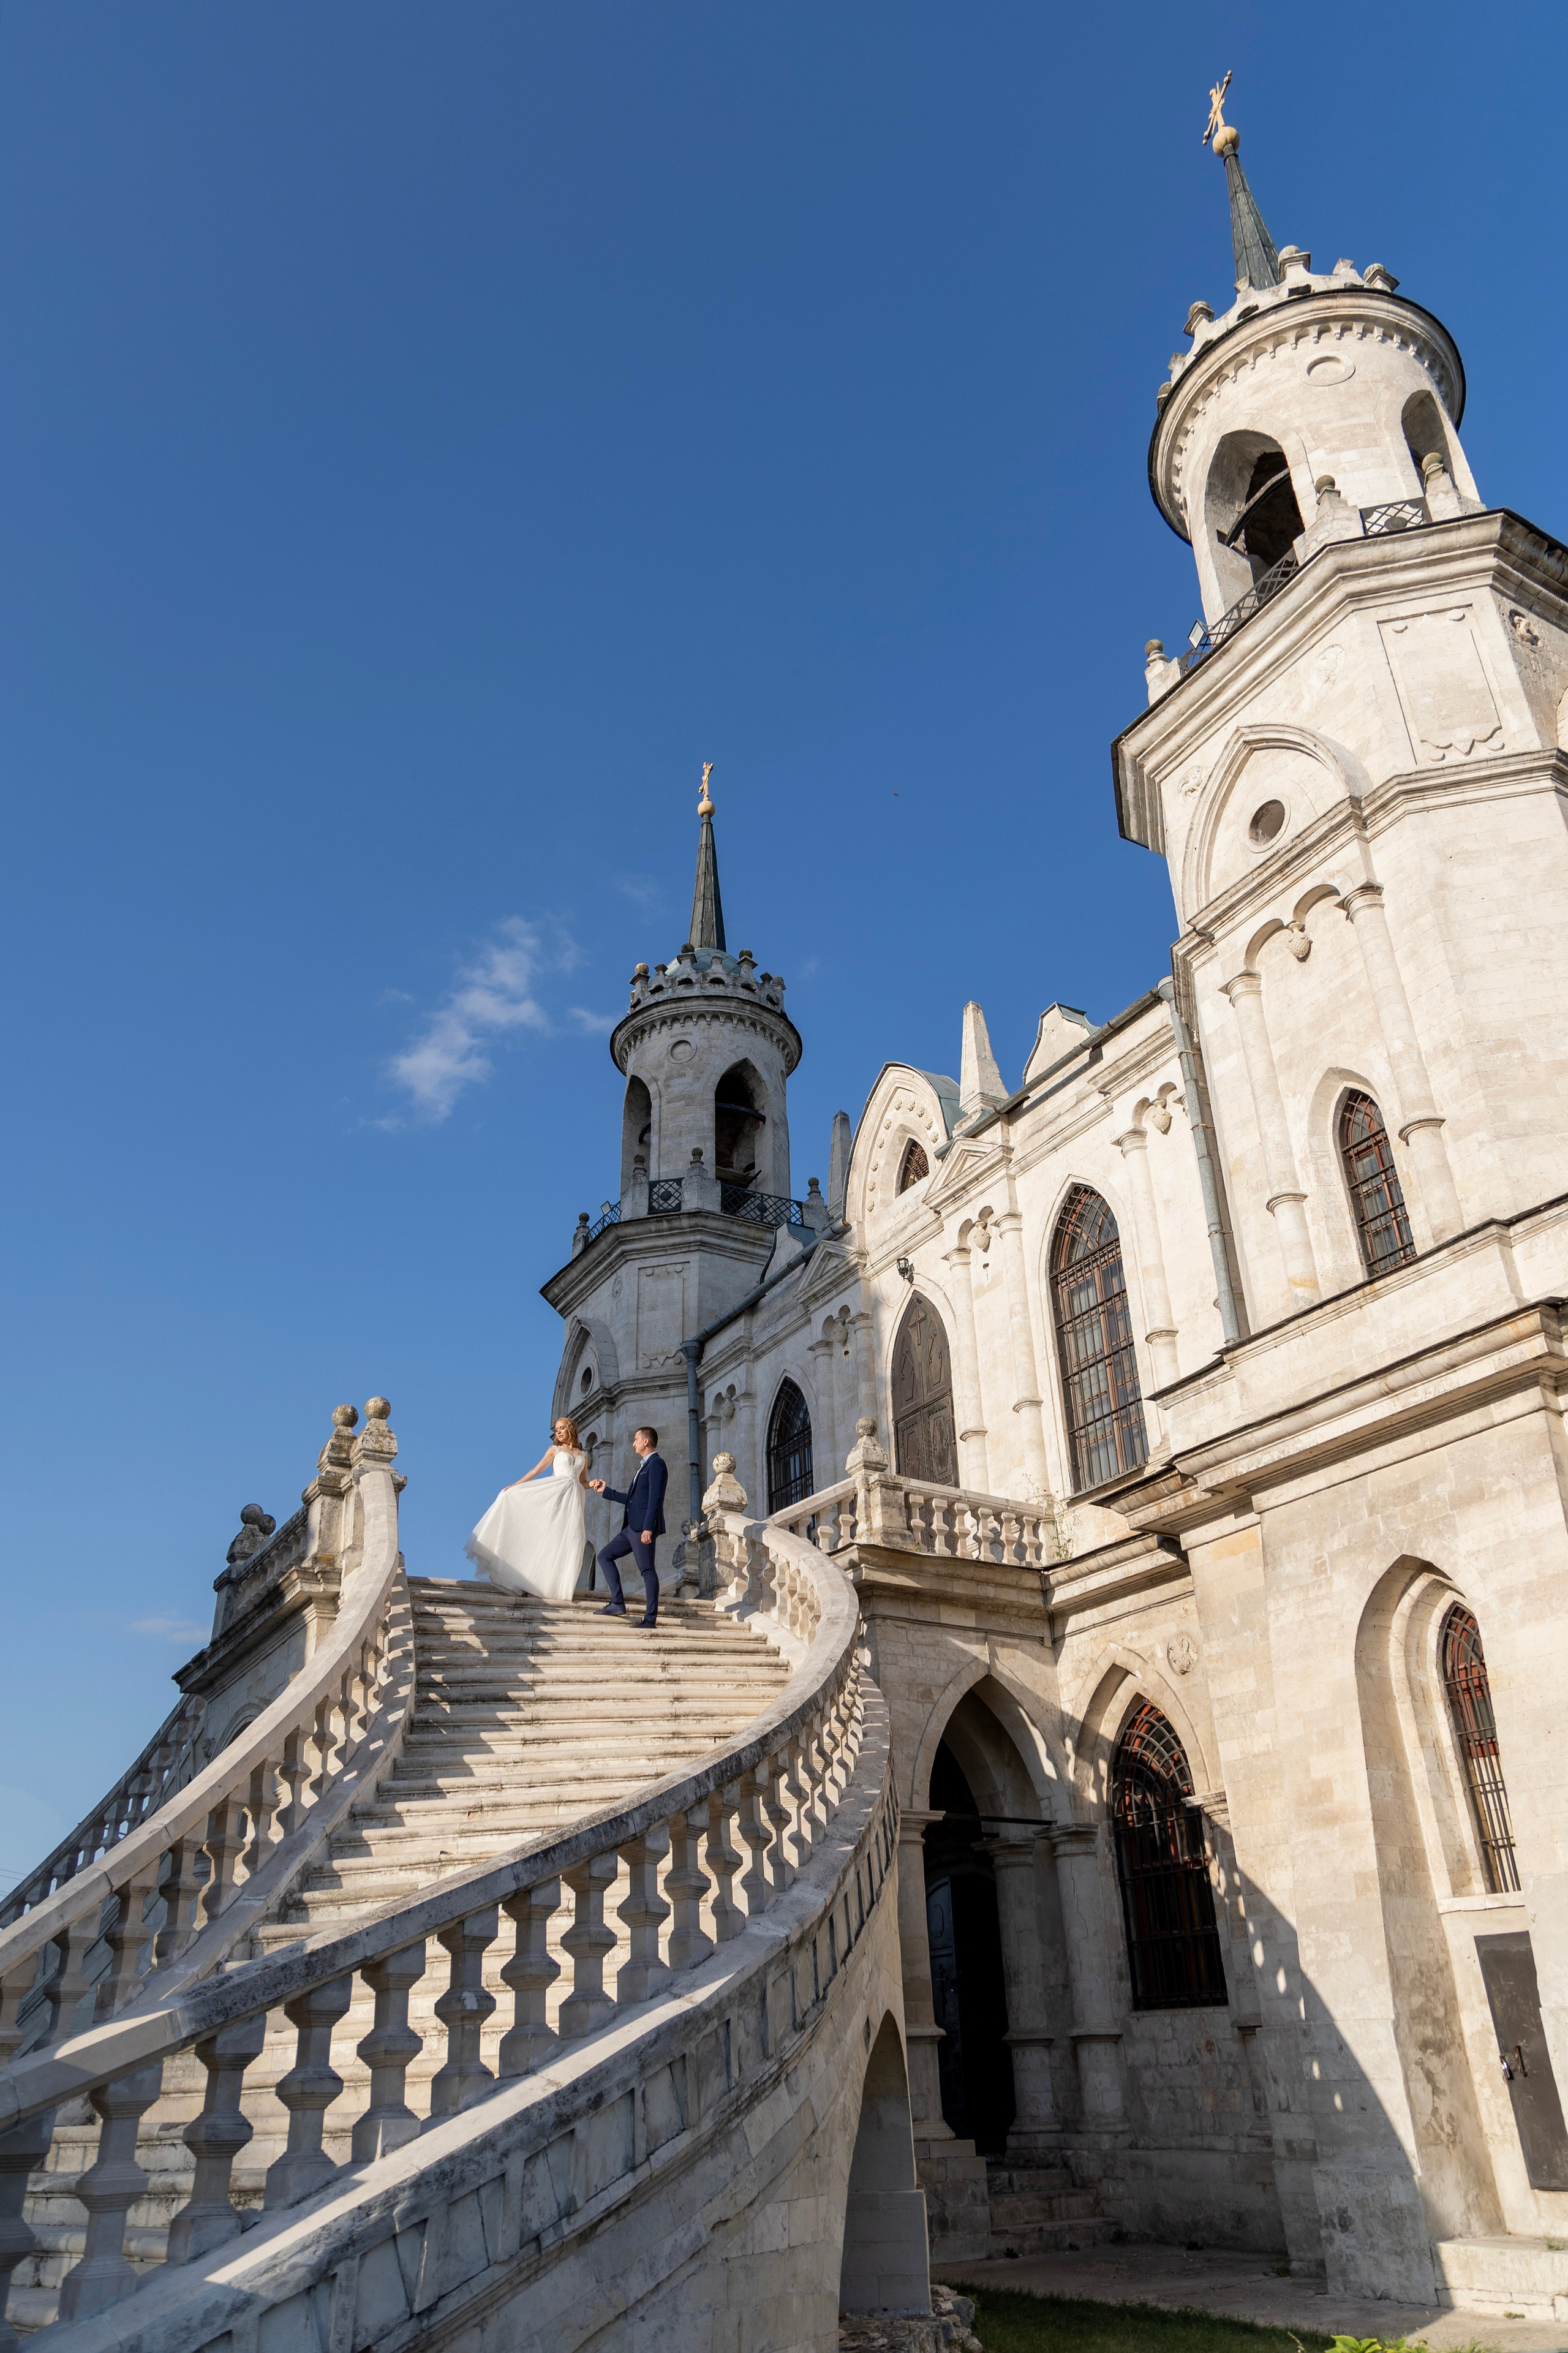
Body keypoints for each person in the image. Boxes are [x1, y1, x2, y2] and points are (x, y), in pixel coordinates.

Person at [466, 1416, 589, 1599]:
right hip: (554, 1495)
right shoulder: (554, 1450)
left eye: (562, 1428)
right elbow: (536, 1470)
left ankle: (551, 1588)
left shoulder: (583, 1455)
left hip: (574, 1501)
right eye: (556, 1430)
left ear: (571, 1428)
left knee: (569, 1541)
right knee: (546, 1538)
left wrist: (593, 1483)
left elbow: (583, 1481)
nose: (559, 1432)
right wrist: (515, 1486)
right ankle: (531, 1586)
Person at [589, 1427, 667, 1629]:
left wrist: (649, 1528)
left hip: (643, 1529)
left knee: (647, 1571)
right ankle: (617, 1602)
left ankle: (650, 1620)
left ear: (646, 1442)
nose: (633, 1444)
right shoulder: (644, 1466)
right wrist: (607, 1491)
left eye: (636, 1440)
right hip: (630, 1529)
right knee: (604, 1555)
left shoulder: (656, 1464)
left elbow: (655, 1499)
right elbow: (633, 1500)